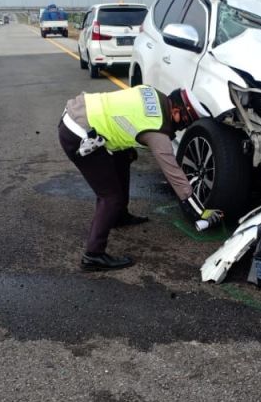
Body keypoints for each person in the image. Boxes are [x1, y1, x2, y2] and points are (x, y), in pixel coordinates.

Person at [58, 85, 224, 271]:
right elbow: (174, 173)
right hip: (79, 135)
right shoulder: (157, 129)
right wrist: (200, 212)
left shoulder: (152, 92)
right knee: (110, 197)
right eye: (184, 121)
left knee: (123, 159)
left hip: (80, 113)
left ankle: (119, 217)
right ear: (176, 110)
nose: (182, 126)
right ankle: (93, 255)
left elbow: (124, 115)